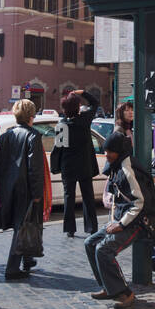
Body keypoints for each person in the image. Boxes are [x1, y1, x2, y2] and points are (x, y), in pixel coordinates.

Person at [86, 131, 155, 309]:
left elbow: (139, 202)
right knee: (90, 243)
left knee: (104, 249)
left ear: (119, 151)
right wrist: (114, 221)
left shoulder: (127, 169)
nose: (107, 155)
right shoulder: (117, 165)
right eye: (106, 151)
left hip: (135, 222)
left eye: (110, 151)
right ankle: (108, 286)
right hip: (121, 219)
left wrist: (121, 224)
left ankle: (125, 293)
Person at [0, 99, 46, 280]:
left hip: (7, 187)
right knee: (22, 225)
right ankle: (12, 268)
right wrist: (37, 193)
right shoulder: (33, 136)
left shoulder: (6, 136)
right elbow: (34, 168)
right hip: (25, 188)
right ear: (31, 116)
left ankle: (27, 260)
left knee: (22, 224)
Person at [51, 88, 100, 238]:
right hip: (84, 164)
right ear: (78, 107)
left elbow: (58, 149)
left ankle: (69, 229)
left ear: (64, 109)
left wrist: (55, 167)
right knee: (88, 197)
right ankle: (91, 227)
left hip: (68, 166)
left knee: (69, 197)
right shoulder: (84, 120)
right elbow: (95, 103)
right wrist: (83, 92)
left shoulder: (62, 125)